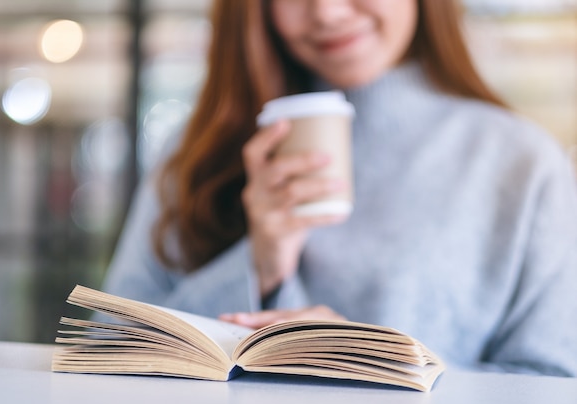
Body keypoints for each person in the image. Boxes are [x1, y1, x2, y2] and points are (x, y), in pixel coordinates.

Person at [101, 0, 577, 376]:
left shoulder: (521, 162)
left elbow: (554, 384)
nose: (326, 11)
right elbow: (108, 343)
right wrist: (259, 266)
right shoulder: (197, 148)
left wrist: (371, 361)